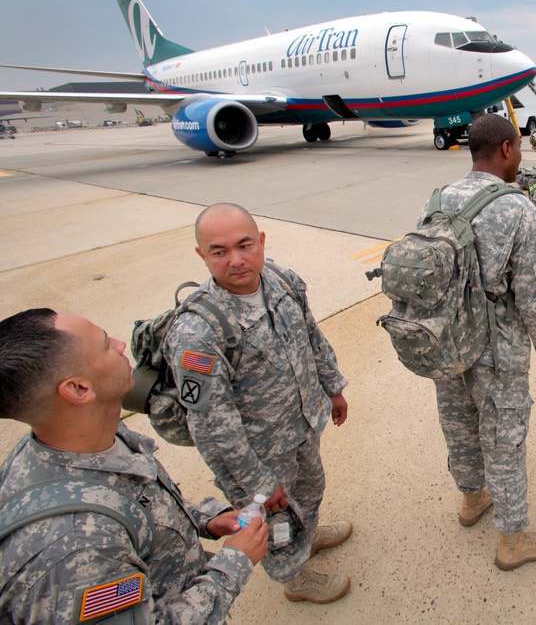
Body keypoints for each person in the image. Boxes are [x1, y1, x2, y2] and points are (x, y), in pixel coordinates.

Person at [0, 309, 269, 622]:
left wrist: (204, 520)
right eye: (104, 345)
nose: (119, 345)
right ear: (78, 389)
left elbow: (138, 503)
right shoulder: (78, 550)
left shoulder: (90, 437)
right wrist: (234, 563)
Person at [163, 203, 353, 604]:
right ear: (202, 256)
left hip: (301, 426)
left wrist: (332, 388)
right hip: (258, 454)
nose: (236, 260)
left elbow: (312, 337)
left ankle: (309, 536)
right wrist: (259, 484)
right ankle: (294, 578)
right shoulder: (197, 331)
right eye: (219, 251)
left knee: (311, 487)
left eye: (245, 245)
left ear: (261, 241)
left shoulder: (281, 281)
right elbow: (211, 427)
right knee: (275, 519)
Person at [416, 114, 536, 570]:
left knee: (459, 425)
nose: (521, 155)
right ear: (505, 148)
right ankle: (513, 541)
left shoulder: (437, 199)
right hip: (497, 351)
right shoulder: (516, 208)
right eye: (518, 146)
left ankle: (471, 499)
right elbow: (535, 294)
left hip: (447, 342)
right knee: (504, 438)